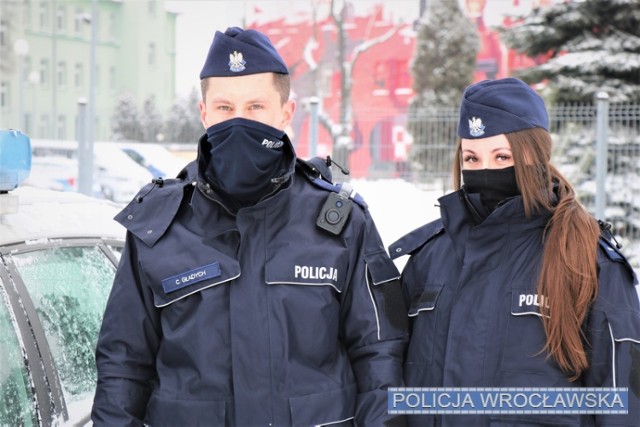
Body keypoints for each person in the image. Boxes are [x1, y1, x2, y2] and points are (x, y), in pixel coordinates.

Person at [91, 27, 408, 426]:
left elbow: (380, 355)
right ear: (204, 112)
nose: (239, 122)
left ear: (286, 113)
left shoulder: (342, 222)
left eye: (255, 106)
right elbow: (123, 364)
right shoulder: (159, 229)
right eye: (225, 108)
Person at [389, 77, 640, 426]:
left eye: (502, 156)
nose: (484, 170)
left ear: (536, 156)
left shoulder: (585, 257)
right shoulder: (429, 257)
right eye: (472, 158)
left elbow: (622, 400)